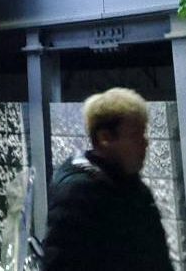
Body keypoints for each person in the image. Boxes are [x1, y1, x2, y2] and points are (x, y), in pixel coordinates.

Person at [41, 87, 173, 271]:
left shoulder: (135, 189)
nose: (145, 142)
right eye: (135, 135)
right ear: (105, 138)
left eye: (144, 133)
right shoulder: (77, 196)